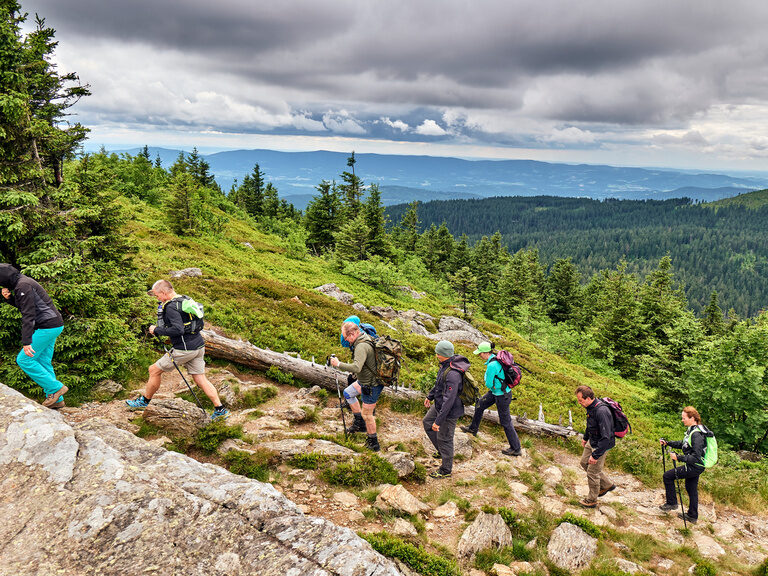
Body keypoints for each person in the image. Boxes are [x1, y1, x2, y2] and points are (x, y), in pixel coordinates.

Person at [126, 279, 229, 420]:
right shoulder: (184, 299)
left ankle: (144, 402)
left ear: (163, 292)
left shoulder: (171, 307)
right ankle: (220, 409)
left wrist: (157, 330)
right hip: (198, 345)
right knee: (200, 378)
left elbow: (178, 329)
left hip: (184, 349)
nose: (157, 298)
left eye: (157, 295)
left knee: (153, 370)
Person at [0, 264, 67, 408]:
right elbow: (27, 306)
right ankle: (57, 399)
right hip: (54, 325)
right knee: (43, 361)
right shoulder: (23, 282)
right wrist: (10, 299)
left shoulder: (22, 286)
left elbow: (28, 314)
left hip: (47, 327)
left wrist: (26, 342)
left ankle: (56, 388)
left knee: (24, 360)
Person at [460, 341, 521, 456]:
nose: (479, 355)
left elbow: (488, 383)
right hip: (496, 392)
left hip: (502, 395)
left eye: (480, 353)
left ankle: (516, 448)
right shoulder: (495, 359)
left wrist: (490, 384)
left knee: (505, 421)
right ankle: (473, 429)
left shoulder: (492, 365)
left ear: (485, 353)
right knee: (479, 405)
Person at [330, 319, 382, 451]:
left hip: (371, 384)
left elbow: (357, 367)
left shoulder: (361, 346)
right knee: (348, 393)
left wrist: (338, 364)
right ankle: (360, 423)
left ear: (353, 334)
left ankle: (373, 443)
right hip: (365, 380)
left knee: (368, 415)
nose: (346, 340)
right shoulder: (363, 338)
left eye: (346, 337)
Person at [659, 406, 712, 524]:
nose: (682, 420)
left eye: (684, 418)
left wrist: (678, 457)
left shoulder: (697, 434)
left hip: (694, 466)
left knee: (668, 476)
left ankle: (672, 503)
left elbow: (695, 456)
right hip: (696, 466)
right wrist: (668, 443)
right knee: (691, 488)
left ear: (692, 418)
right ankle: (692, 516)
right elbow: (684, 444)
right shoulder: (693, 430)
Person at [423, 340, 466, 479]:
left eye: (438, 353)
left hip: (449, 411)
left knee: (445, 438)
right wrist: (430, 396)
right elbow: (439, 385)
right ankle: (441, 451)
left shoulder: (453, 374)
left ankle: (446, 470)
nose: (436, 355)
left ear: (444, 354)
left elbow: (450, 400)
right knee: (427, 422)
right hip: (439, 405)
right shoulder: (445, 366)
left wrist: (439, 421)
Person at [575, 385, 616, 507]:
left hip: (601, 445)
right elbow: (590, 424)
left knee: (592, 473)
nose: (579, 403)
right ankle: (607, 484)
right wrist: (585, 437)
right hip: (592, 440)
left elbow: (606, 437)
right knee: (584, 463)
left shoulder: (601, 412)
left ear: (588, 398)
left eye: (581, 400)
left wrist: (596, 455)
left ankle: (592, 500)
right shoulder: (591, 407)